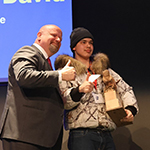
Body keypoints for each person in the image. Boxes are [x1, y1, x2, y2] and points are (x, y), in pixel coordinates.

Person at [54, 27, 139, 150]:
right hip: (82, 135)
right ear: (74, 47)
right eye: (83, 42)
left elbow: (126, 89)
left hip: (106, 133)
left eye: (91, 43)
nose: (88, 46)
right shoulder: (66, 71)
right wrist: (79, 90)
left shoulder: (104, 71)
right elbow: (63, 101)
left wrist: (130, 109)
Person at [0, 24, 76, 150]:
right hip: (25, 136)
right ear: (39, 36)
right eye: (54, 35)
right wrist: (59, 75)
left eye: (61, 39)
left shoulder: (46, 62)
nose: (58, 40)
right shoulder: (28, 51)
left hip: (41, 137)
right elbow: (25, 76)